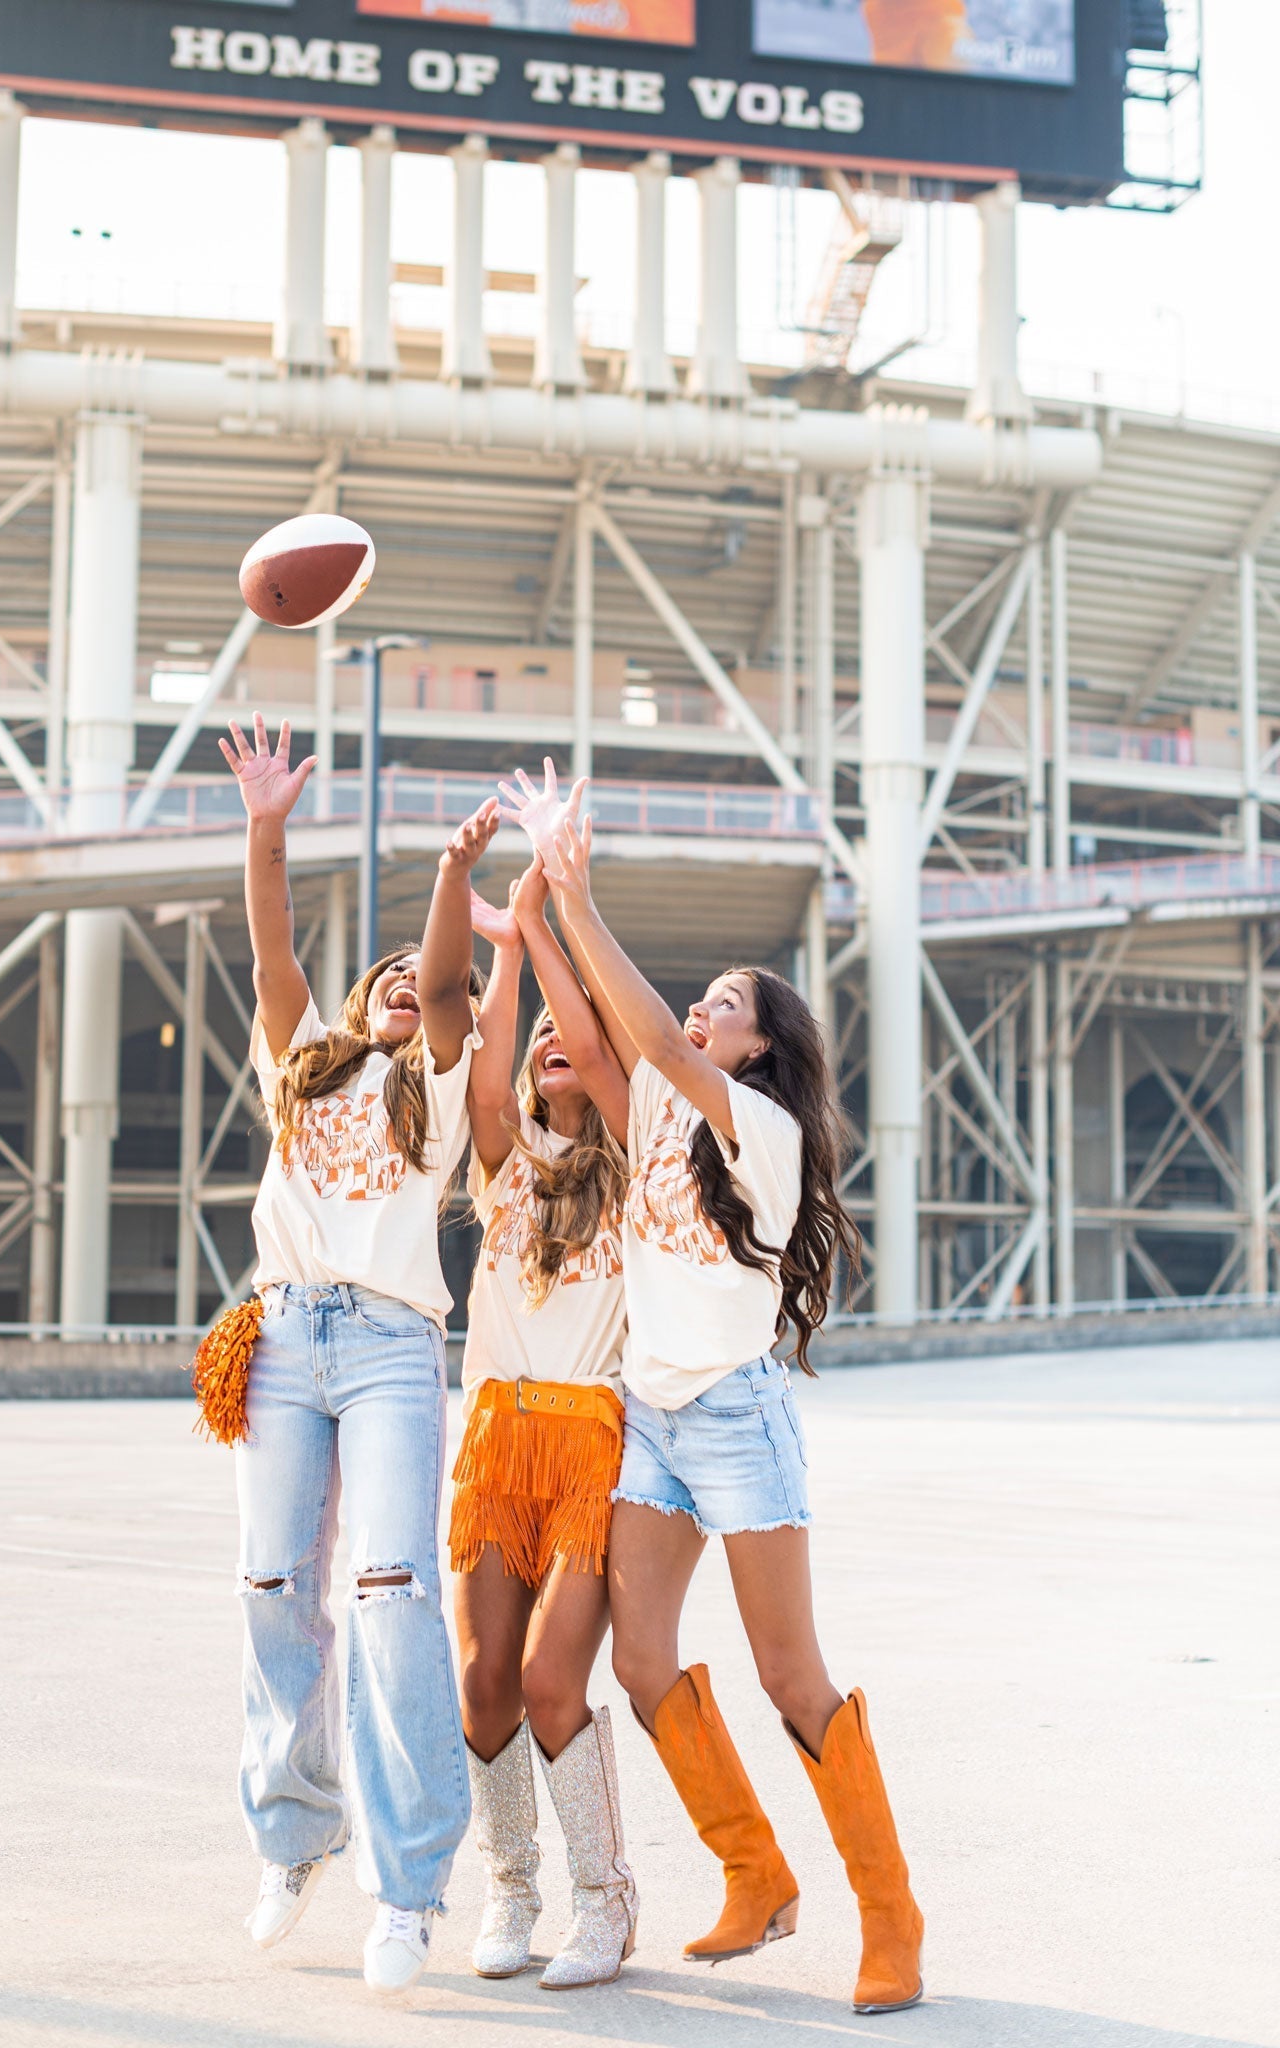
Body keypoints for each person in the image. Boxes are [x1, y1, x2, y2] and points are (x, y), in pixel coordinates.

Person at [504, 762, 924, 2017]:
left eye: (723, 1003)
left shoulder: (762, 1131)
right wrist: (532, 917)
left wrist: (579, 897)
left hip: (738, 1419)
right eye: (703, 997)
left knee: (793, 1675)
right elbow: (591, 1036)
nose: (699, 1009)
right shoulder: (655, 1126)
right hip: (654, 1420)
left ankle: (891, 1915)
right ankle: (755, 1871)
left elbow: (630, 1022)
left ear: (759, 1045)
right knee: (639, 1660)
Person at [217, 713, 496, 1996]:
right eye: (380, 975)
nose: (402, 987)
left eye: (416, 986)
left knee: (387, 1592)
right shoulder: (306, 1071)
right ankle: (295, 1828)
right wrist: (267, 823)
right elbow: (273, 943)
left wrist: (450, 874)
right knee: (275, 1586)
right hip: (282, 1334)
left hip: (387, 1344)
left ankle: (410, 1887)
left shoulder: (431, 1089)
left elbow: (447, 983)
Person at [452, 858, 637, 1991]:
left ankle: (606, 1899)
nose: (550, 1049)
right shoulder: (507, 1168)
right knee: (484, 1678)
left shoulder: (631, 1168)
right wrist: (507, 949)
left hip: (589, 1445)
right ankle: (510, 1883)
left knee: (552, 1678)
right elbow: (484, 1076)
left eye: (567, 1042)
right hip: (495, 1444)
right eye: (538, 1047)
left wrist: (544, 914)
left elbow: (605, 1049)